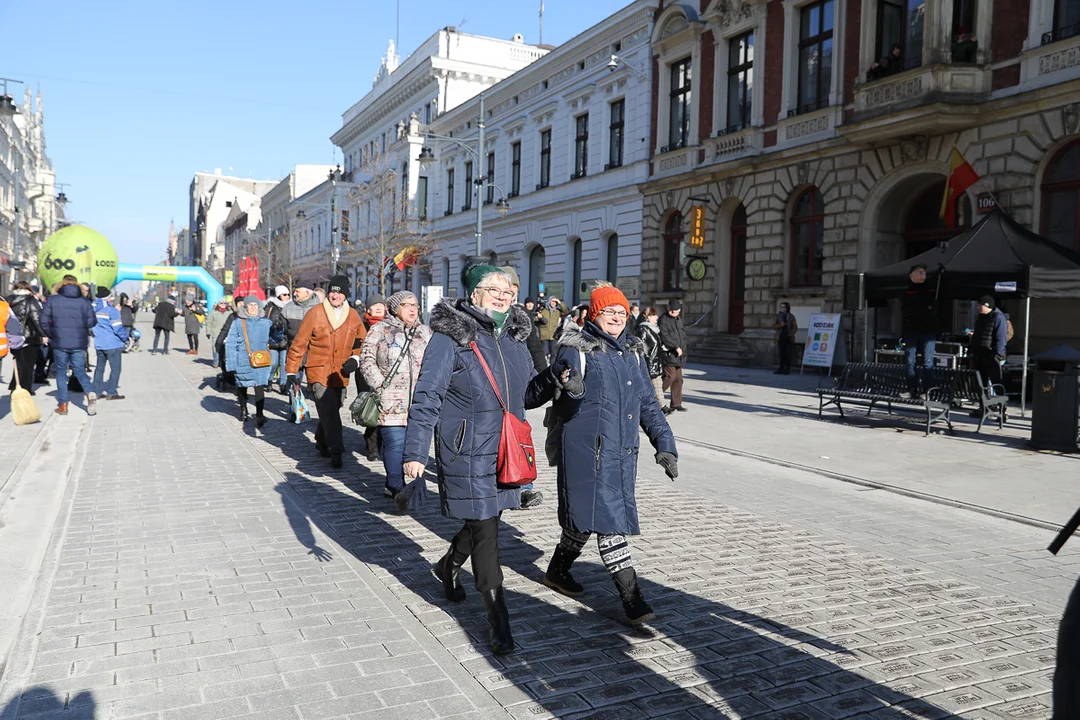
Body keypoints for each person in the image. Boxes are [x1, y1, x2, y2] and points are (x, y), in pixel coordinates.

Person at [402, 265, 537, 655]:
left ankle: (447, 567)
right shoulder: (450, 338)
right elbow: (427, 395)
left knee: (486, 520)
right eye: (492, 288)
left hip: (505, 451)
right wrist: (414, 453)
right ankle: (498, 620)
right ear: (474, 293)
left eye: (508, 290)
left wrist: (559, 380)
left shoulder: (513, 339)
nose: (502, 295)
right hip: (466, 449)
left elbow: (527, 396)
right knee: (487, 530)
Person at [529, 283, 678, 625]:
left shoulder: (633, 353)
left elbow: (648, 405)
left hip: (622, 452)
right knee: (610, 523)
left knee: (584, 521)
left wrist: (665, 446)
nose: (616, 317)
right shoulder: (576, 351)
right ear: (594, 315)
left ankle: (557, 571)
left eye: (622, 312)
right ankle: (633, 600)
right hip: (587, 452)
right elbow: (561, 394)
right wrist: (569, 387)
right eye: (608, 311)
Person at [285, 275, 367, 468]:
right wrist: (291, 371)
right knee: (328, 408)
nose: (335, 295)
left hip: (340, 373)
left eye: (339, 292)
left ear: (345, 294)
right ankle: (337, 450)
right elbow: (299, 344)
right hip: (318, 370)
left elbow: (362, 343)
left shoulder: (353, 316)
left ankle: (321, 441)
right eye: (332, 291)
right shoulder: (315, 313)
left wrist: (355, 359)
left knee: (333, 407)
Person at [360, 291, 432, 511]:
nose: (413, 309)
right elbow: (366, 359)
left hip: (420, 401)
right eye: (407, 305)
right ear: (394, 308)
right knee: (396, 444)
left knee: (415, 446)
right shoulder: (379, 329)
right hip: (390, 399)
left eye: (416, 305)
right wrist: (380, 384)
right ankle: (397, 487)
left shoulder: (425, 332)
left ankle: (405, 482)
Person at [40, 275, 97, 416]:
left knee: (61, 371)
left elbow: (43, 320)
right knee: (79, 370)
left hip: (59, 342)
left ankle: (63, 404)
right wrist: (80, 327)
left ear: (60, 287)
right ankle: (89, 392)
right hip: (79, 342)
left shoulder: (53, 300)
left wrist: (51, 333)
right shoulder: (84, 302)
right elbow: (92, 322)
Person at [224, 296, 273, 426]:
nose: (252, 307)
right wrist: (231, 364)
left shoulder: (266, 322)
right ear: (245, 307)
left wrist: (279, 330)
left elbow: (275, 339)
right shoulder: (238, 322)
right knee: (242, 386)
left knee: (259, 386)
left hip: (261, 360)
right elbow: (230, 343)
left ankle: (259, 414)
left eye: (255, 305)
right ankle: (243, 410)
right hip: (243, 359)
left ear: (259, 307)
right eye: (250, 305)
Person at [901, 263, 938, 396]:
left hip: (928, 330)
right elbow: (906, 309)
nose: (923, 273)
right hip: (912, 330)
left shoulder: (930, 288)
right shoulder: (908, 290)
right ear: (912, 275)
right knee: (910, 360)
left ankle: (927, 390)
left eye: (924, 271)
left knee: (928, 362)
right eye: (919, 272)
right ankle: (912, 388)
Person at [969, 295, 1008, 417]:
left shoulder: (999, 318)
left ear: (987, 306)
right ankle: (984, 407)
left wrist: (995, 355)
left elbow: (1001, 339)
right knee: (981, 384)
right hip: (979, 354)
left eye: (980, 305)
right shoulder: (981, 318)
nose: (978, 307)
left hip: (991, 356)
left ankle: (1003, 410)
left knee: (997, 383)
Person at [7, 281, 45, 396]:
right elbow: (36, 319)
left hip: (12, 335)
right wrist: (43, 334)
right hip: (28, 336)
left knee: (18, 361)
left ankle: (15, 386)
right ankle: (25, 388)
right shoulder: (30, 300)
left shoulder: (8, 299)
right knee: (28, 364)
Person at [92, 287, 129, 400]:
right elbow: (118, 328)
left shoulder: (93, 309)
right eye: (110, 298)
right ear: (107, 298)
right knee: (115, 369)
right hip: (112, 344)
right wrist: (125, 338)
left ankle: (97, 392)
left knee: (99, 368)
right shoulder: (112, 311)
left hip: (99, 343)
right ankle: (111, 392)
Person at [657, 299, 687, 413]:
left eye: (676, 310)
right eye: (671, 310)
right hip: (669, 353)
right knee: (670, 377)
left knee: (678, 380)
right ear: (668, 308)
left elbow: (682, 335)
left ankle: (676, 404)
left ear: (679, 310)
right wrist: (675, 346)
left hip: (679, 355)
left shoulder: (679, 319)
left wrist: (682, 349)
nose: (673, 312)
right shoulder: (663, 320)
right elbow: (664, 336)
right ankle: (654, 398)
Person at [215, 297, 246, 390]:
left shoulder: (249, 316)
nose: (241, 305)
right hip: (233, 344)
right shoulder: (232, 316)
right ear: (235, 305)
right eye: (239, 303)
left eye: (243, 303)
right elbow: (225, 329)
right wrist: (219, 342)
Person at [264, 286, 291, 393]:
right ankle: (269, 381)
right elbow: (264, 321)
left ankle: (283, 384)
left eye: (288, 294)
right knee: (273, 363)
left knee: (285, 363)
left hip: (285, 339)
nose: (287, 296)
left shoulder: (291, 306)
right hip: (272, 339)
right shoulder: (270, 306)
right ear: (279, 295)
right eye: (285, 294)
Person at [636, 307, 665, 406]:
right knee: (656, 387)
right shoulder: (643, 329)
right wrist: (646, 364)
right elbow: (641, 348)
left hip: (656, 363)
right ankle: (662, 407)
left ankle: (660, 406)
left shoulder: (654, 329)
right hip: (650, 364)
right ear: (648, 317)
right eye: (654, 315)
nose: (657, 317)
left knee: (657, 387)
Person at [522, 297, 548, 373]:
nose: (530, 305)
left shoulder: (536, 314)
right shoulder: (522, 314)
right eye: (528, 303)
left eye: (531, 303)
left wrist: (541, 317)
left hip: (536, 341)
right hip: (525, 341)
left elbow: (545, 322)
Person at [773, 302, 798, 376]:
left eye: (783, 307)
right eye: (781, 307)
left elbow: (795, 327)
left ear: (787, 308)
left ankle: (787, 369)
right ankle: (781, 368)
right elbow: (773, 326)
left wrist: (790, 334)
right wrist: (780, 325)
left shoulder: (791, 316)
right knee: (781, 354)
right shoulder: (777, 316)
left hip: (788, 338)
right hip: (780, 338)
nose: (781, 308)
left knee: (788, 354)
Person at [205, 299, 231, 367]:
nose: (223, 304)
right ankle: (216, 362)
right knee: (215, 348)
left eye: (224, 303)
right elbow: (209, 322)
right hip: (216, 333)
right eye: (221, 303)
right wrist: (208, 332)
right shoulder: (213, 312)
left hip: (227, 334)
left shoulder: (229, 312)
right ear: (218, 304)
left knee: (226, 348)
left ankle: (224, 362)